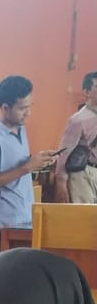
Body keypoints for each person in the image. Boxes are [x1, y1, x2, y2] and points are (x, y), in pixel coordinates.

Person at [0, 77, 57, 257]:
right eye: (22, 108)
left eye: (30, 106)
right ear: (5, 108)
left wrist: (39, 160)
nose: (28, 113)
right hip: (5, 219)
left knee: (20, 268)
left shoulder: (21, 129)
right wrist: (27, 167)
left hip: (23, 213)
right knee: (0, 270)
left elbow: (20, 165)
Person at [54, 71, 97, 205]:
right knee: (84, 216)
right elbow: (63, 153)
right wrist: (61, 184)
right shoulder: (78, 120)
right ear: (87, 91)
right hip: (82, 174)